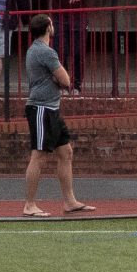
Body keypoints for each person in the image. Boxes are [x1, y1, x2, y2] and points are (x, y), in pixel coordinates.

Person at [20, 13, 90, 217]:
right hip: (41, 108)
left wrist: (56, 77)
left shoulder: (36, 50)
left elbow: (59, 78)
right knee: (39, 155)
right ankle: (29, 204)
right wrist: (58, 77)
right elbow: (66, 80)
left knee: (66, 152)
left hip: (51, 108)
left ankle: (70, 201)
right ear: (49, 28)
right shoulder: (45, 52)